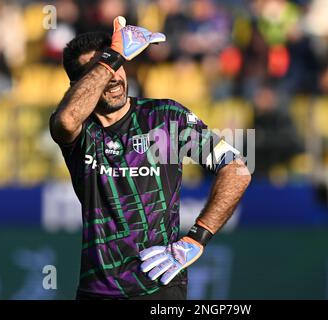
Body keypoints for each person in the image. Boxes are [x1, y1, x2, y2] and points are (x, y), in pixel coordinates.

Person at [49, 16, 251, 300]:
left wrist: (196, 238)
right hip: (97, 289)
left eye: (119, 65)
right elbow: (67, 119)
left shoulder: (166, 117)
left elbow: (237, 170)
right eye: (101, 69)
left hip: (161, 284)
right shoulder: (81, 132)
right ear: (78, 84)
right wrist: (115, 54)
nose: (114, 76)